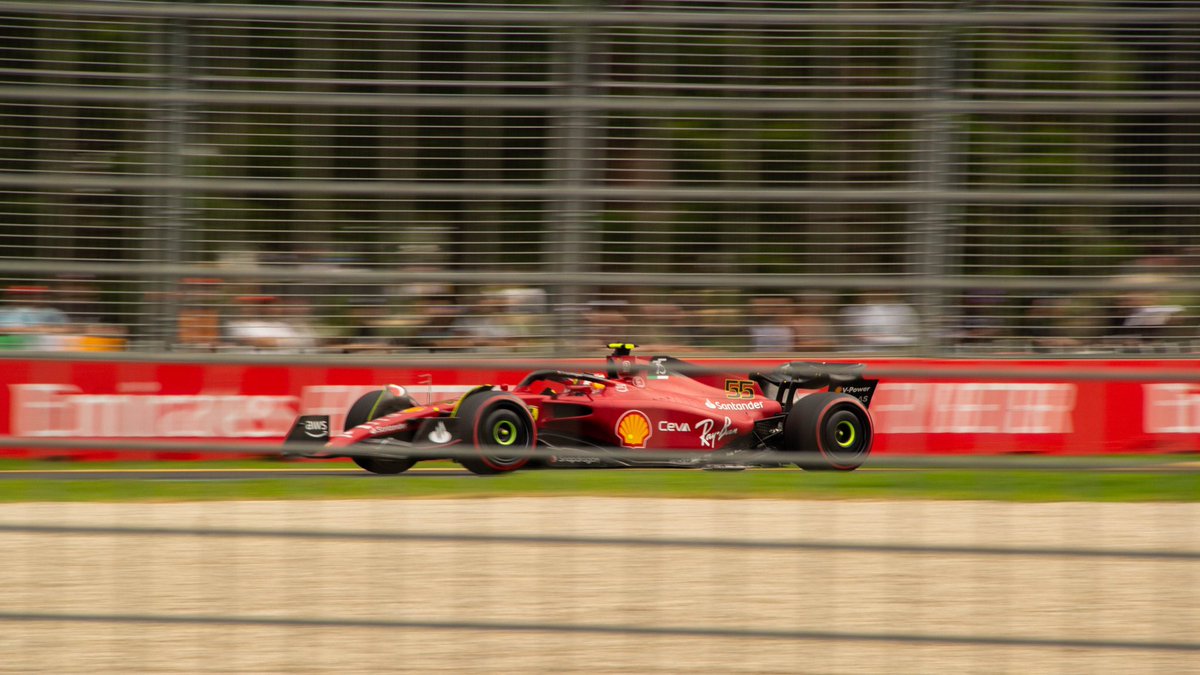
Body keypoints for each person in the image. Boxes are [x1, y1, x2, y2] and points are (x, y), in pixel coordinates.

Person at [839, 291, 919, 352]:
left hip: (892, 356)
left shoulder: (904, 311)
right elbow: (845, 338)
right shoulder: (850, 311)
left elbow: (913, 339)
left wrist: (877, 339)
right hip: (858, 356)